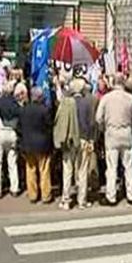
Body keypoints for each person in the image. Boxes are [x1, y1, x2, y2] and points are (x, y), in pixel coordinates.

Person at [95, 74, 132, 205]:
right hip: (126, 133)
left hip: (111, 134)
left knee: (111, 168)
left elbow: (98, 118)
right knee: (129, 166)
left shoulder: (106, 98)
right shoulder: (130, 98)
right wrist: (130, 126)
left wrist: (104, 128)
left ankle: (111, 196)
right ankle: (131, 195)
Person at [19, 87, 53, 204]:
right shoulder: (45, 110)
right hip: (42, 144)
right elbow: (49, 126)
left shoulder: (24, 110)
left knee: (30, 169)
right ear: (40, 97)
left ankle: (33, 195)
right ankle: (45, 195)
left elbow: (19, 126)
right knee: (44, 169)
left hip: (28, 144)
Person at [54, 79, 83, 210]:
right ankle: (81, 199)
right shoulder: (85, 101)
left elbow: (60, 121)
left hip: (69, 140)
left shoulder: (66, 103)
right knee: (80, 171)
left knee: (68, 171)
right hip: (80, 139)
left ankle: (66, 199)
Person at [0, 81, 21, 199]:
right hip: (12, 132)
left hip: (0, 131)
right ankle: (15, 188)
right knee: (12, 162)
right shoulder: (16, 104)